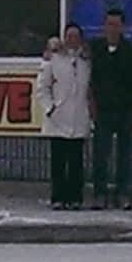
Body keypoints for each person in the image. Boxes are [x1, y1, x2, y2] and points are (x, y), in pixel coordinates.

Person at [88, 7, 132, 209]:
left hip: (125, 111)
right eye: (109, 24)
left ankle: (122, 193)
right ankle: (100, 193)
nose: (112, 29)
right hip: (103, 111)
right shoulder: (95, 50)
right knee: (100, 154)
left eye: (116, 25)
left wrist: (131, 102)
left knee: (124, 154)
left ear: (123, 27)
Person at [34, 24, 90, 210]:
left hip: (79, 117)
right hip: (58, 118)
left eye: (76, 36)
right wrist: (49, 107)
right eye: (69, 36)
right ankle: (58, 197)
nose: (72, 40)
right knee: (58, 161)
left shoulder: (85, 61)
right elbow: (42, 87)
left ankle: (75, 198)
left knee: (76, 162)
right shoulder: (54, 59)